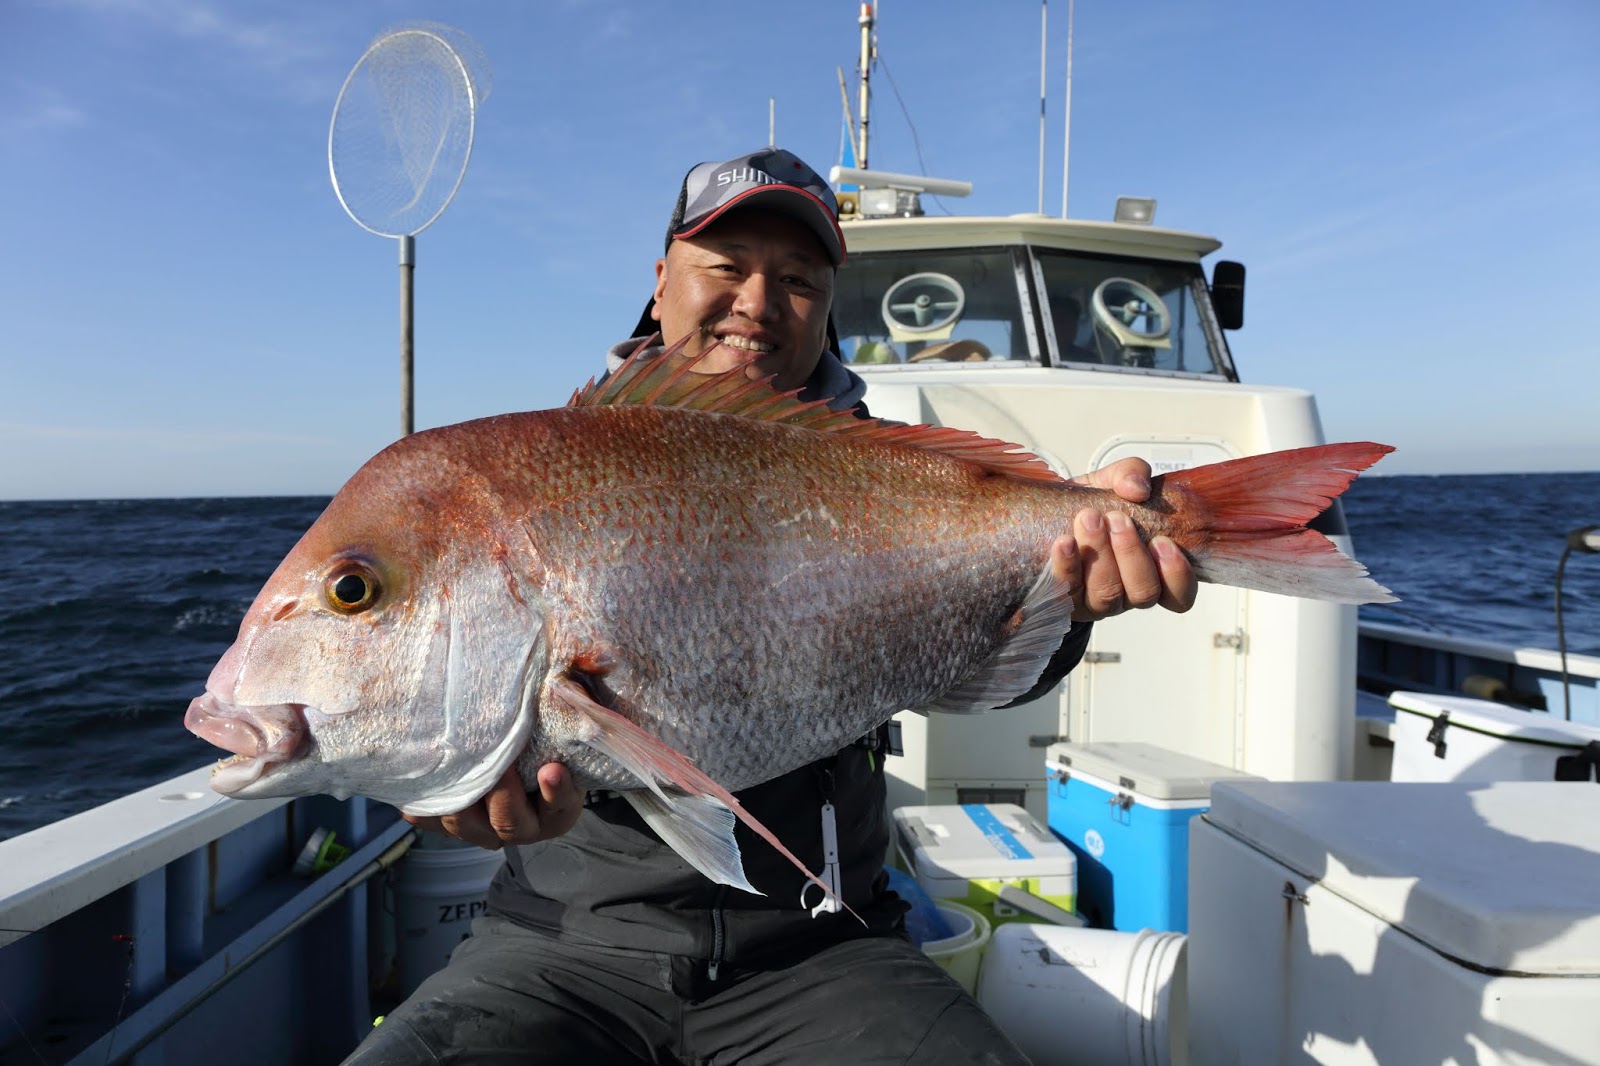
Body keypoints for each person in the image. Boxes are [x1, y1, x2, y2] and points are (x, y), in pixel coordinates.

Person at [344, 148, 1196, 1065]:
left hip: (823, 947)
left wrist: (1072, 600)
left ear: (827, 308)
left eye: (796, 279)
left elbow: (984, 673)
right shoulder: (553, 468)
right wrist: (453, 782)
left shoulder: (885, 468)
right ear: (660, 282)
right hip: (561, 946)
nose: (756, 302)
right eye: (726, 266)